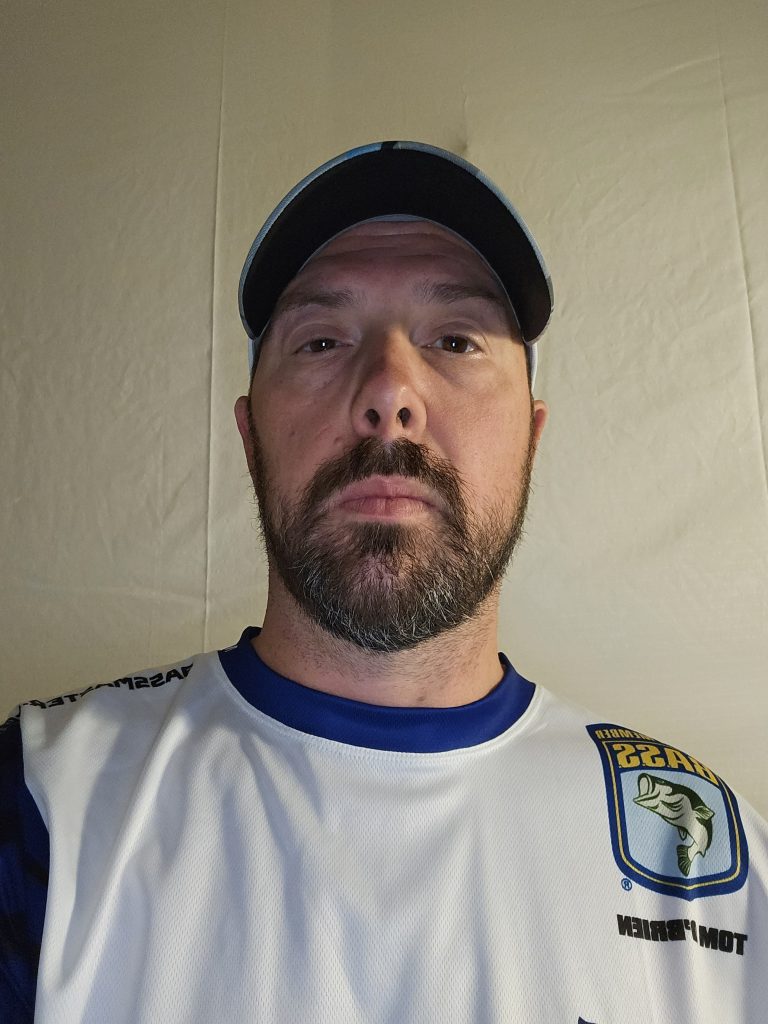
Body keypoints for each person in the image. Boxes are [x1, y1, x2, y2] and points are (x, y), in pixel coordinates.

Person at [1, 141, 766, 1023]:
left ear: (531, 438)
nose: (390, 392)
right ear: (251, 439)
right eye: (323, 340)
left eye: (455, 339)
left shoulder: (707, 861)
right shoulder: (43, 803)